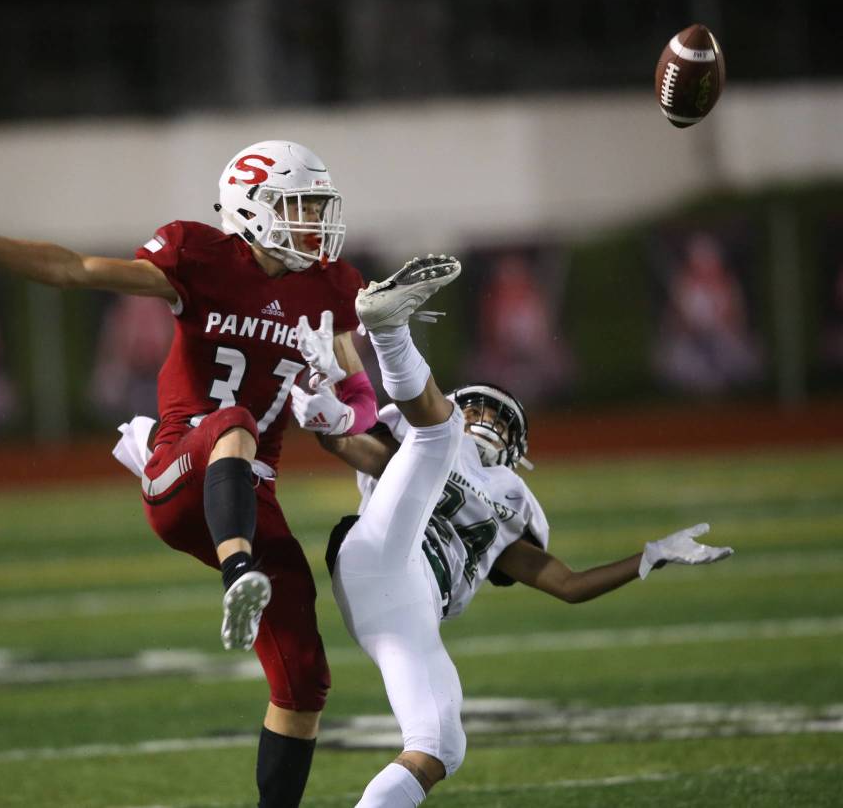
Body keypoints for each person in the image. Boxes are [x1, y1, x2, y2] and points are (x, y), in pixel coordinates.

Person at [0, 140, 381, 808]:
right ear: (255, 207)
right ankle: (237, 571)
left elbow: (362, 400)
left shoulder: (330, 288)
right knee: (236, 422)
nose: (314, 221)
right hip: (179, 474)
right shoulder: (199, 255)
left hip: (251, 493)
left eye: (316, 205)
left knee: (304, 680)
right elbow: (76, 269)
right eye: (299, 205)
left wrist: (339, 413)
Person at [289, 254, 734, 807]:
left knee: (440, 744)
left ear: (515, 448)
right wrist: (331, 424)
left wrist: (649, 557)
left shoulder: (510, 501)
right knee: (434, 435)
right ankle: (388, 330)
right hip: (382, 546)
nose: (487, 422)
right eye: (479, 409)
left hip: (405, 608)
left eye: (500, 420)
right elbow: (363, 449)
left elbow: (567, 585)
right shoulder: (434, 433)